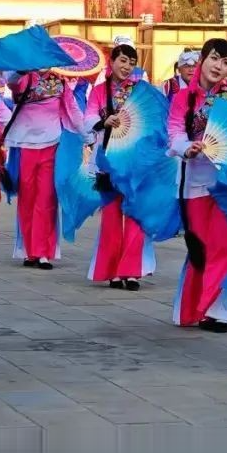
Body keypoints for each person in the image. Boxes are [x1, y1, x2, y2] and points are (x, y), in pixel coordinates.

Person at [168, 38, 227, 332]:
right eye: (214, 59)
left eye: (225, 63)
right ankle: (192, 307)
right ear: (202, 59)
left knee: (224, 245)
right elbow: (173, 134)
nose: (218, 67)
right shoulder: (183, 99)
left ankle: (218, 312)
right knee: (199, 248)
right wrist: (187, 147)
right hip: (193, 184)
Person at [84, 41, 156, 291]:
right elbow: (88, 119)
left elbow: (153, 119)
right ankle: (113, 270)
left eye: (131, 63)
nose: (126, 67)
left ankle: (131, 271)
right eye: (123, 61)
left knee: (135, 215)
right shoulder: (98, 92)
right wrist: (105, 120)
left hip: (135, 160)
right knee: (112, 217)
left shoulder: (141, 90)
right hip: (107, 159)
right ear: (112, 61)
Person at [5, 61, 86, 270]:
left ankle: (43, 252)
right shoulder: (23, 77)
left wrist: (88, 134)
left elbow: (73, 110)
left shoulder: (59, 82)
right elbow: (11, 83)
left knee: (46, 199)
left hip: (51, 144)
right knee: (27, 198)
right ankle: (28, 251)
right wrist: (21, 67)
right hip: (25, 145)